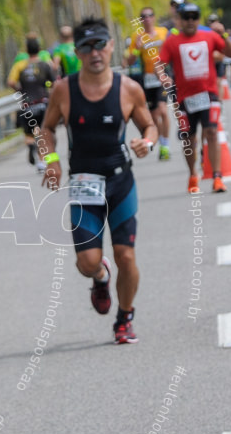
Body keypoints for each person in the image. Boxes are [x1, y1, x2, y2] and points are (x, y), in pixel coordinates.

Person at [38, 18, 158, 344]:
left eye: (100, 44)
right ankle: (100, 277)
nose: (95, 53)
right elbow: (46, 129)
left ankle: (125, 317)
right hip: (83, 184)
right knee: (87, 263)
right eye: (86, 47)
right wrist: (51, 162)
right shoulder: (64, 90)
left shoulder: (128, 89)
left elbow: (150, 127)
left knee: (127, 256)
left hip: (120, 181)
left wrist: (147, 144)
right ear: (77, 52)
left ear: (110, 46)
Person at [158, 3, 231, 193]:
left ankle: (217, 177)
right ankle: (193, 174)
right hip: (184, 98)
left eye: (194, 17)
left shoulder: (209, 36)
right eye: (186, 17)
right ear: (180, 19)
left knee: (211, 132)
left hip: (209, 94)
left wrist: (224, 35)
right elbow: (159, 64)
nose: (190, 21)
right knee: (189, 139)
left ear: (198, 19)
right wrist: (165, 79)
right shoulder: (172, 41)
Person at [126, 7, 172, 160]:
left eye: (149, 15)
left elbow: (172, 50)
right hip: (148, 78)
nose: (147, 19)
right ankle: (160, 143)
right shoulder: (137, 36)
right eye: (143, 17)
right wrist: (137, 49)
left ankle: (165, 145)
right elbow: (129, 62)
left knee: (162, 110)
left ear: (154, 17)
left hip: (163, 75)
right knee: (153, 115)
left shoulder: (163, 32)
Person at [9, 36, 55, 171]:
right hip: (42, 103)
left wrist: (20, 89)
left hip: (27, 105)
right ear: (39, 49)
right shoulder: (44, 64)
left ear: (26, 50)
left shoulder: (20, 65)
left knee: (29, 133)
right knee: (43, 133)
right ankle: (42, 162)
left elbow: (11, 82)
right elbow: (54, 83)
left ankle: (30, 146)